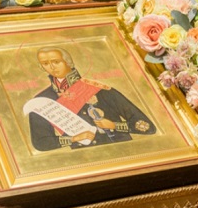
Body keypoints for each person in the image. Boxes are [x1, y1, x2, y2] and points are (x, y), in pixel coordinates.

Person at [26, 47, 156, 151]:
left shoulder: (101, 90)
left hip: (123, 150)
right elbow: (41, 143)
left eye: (56, 61)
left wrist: (114, 125)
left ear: (68, 62)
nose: (52, 67)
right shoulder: (42, 100)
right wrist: (73, 139)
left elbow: (147, 126)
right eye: (45, 64)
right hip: (84, 157)